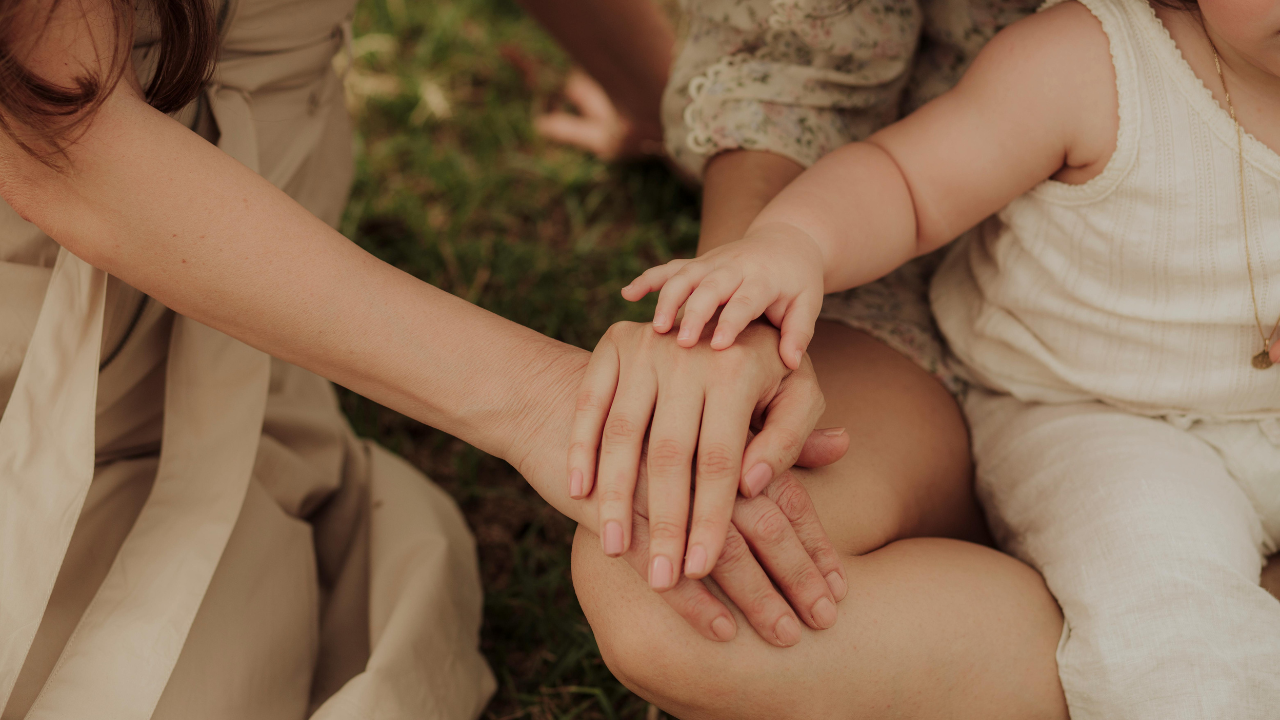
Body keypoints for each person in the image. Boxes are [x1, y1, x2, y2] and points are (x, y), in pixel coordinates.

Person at [0, 0, 851, 716]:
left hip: (251, 308)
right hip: (48, 328)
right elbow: (55, 134)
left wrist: (676, 109)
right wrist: (544, 404)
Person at [623, 0, 1280, 716]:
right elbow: (905, 185)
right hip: (1099, 419)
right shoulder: (1089, 64)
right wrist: (796, 242)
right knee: (1165, 603)